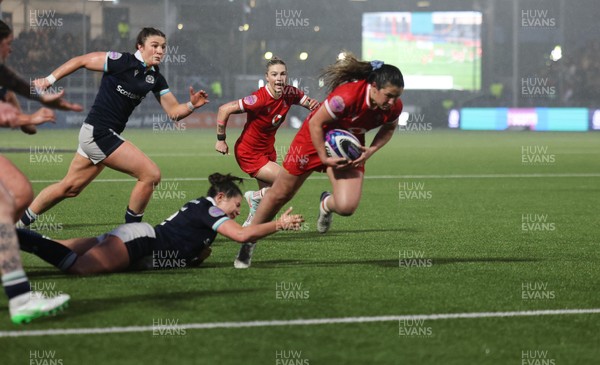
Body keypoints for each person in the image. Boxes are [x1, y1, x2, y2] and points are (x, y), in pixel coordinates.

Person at [17, 27, 209, 229]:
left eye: (163, 47)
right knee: (151, 174)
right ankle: (131, 234)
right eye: (155, 46)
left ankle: (17, 224)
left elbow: (174, 112)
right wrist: (48, 80)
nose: (160, 51)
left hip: (100, 135)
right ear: (140, 46)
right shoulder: (121, 61)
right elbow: (81, 60)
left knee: (69, 188)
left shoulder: (156, 77)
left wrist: (191, 106)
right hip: (98, 132)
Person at [234, 54, 404, 268]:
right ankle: (249, 240)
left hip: (347, 146)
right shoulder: (347, 97)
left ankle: (326, 203)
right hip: (312, 139)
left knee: (347, 206)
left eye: (396, 97)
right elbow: (315, 123)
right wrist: (323, 156)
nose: (392, 102)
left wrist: (371, 150)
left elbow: (389, 128)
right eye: (388, 96)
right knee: (280, 194)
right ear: (373, 87)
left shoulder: (393, 106)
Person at [16, 173, 304, 275]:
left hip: (136, 238)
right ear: (219, 197)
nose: (237, 212)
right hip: (140, 240)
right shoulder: (210, 211)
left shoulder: (204, 215)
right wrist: (279, 224)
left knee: (61, 248)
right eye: (236, 205)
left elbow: (185, 251)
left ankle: (13, 240)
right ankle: (18, 237)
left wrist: (194, 257)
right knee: (79, 268)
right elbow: (241, 236)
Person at [0, 25, 82, 321]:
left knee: (21, 192)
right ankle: (20, 297)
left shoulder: (2, 71)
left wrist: (45, 100)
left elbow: (20, 87)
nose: (11, 49)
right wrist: (24, 116)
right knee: (2, 207)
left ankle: (9, 251)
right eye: (7, 43)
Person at [214, 57, 318, 227]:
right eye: (274, 74)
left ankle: (250, 225)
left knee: (270, 200)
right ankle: (252, 197)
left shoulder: (290, 93)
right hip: (249, 153)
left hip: (268, 151)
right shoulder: (259, 99)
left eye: (283, 74)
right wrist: (221, 140)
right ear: (267, 77)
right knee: (287, 182)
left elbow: (309, 104)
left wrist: (314, 105)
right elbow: (224, 109)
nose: (279, 78)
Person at [0, 20, 50, 134]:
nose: (11, 50)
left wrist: (31, 120)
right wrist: (30, 118)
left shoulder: (7, 90)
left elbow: (30, 129)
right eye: (8, 43)